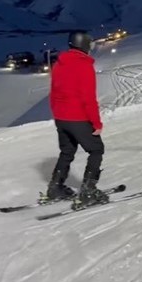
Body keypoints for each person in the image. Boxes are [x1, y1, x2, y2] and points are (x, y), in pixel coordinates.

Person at [44, 30, 108, 207]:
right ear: (85, 45)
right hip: (77, 117)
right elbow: (88, 98)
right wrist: (96, 123)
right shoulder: (84, 66)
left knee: (67, 151)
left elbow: (53, 92)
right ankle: (88, 191)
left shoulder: (59, 64)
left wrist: (57, 113)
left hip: (61, 117)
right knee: (96, 150)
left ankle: (55, 187)